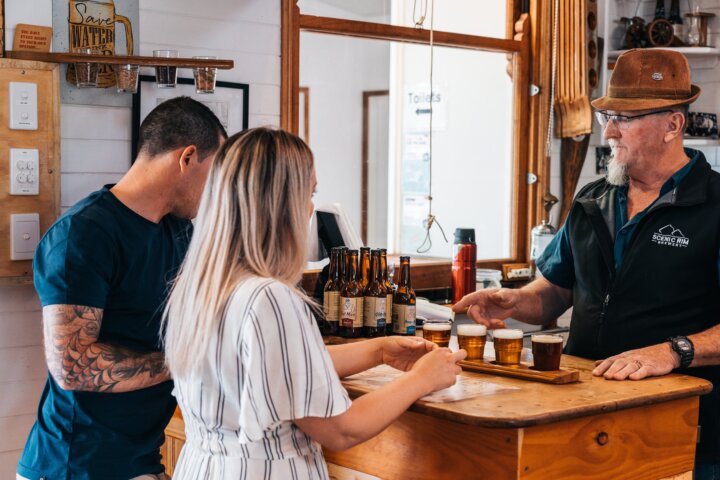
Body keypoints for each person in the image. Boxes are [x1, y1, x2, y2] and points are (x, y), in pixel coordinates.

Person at [454, 48, 720, 477]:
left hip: (684, 421)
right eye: (607, 117)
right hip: (584, 411)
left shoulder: (714, 204)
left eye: (625, 118)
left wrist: (674, 351)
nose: (610, 131)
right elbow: (556, 290)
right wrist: (515, 302)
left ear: (674, 124)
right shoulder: (592, 198)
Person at [162, 127, 466, 479]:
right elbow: (341, 429)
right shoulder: (270, 298)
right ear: (281, 207)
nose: (310, 209)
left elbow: (277, 367)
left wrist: (379, 350)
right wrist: (422, 380)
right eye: (309, 194)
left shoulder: (195, 285)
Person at [17, 97, 227, 480]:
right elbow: (72, 367)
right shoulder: (84, 234)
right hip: (74, 466)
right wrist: (185, 360)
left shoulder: (178, 230)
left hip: (139, 459)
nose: (218, 189)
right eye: (217, 171)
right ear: (188, 158)